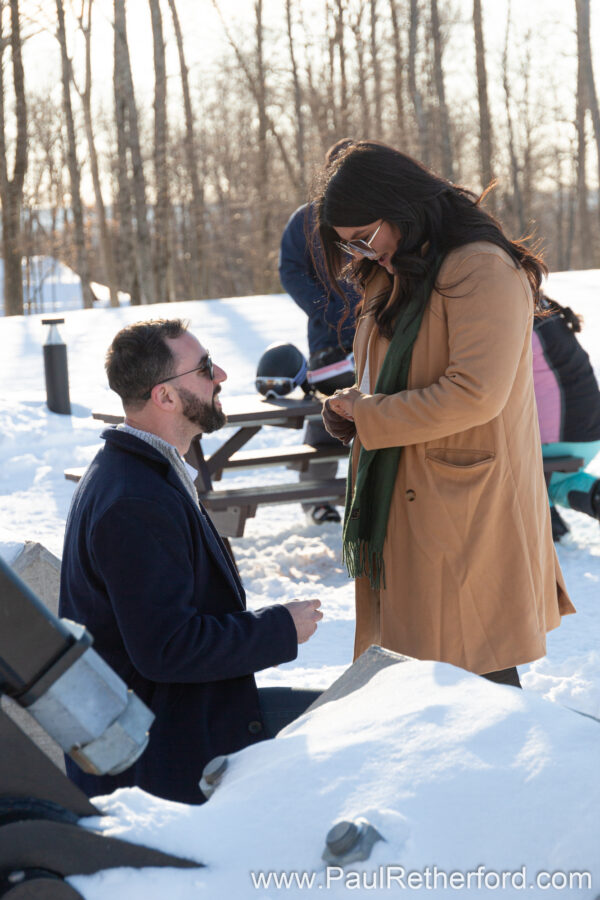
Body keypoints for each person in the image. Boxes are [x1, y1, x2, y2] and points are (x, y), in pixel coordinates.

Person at [314, 140, 574, 688]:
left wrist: (370, 414)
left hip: (466, 509)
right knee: (418, 688)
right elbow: (391, 376)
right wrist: (353, 410)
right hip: (406, 502)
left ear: (400, 204)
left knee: (475, 681)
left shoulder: (480, 267)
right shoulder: (398, 269)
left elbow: (474, 393)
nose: (361, 254)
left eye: (364, 238)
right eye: (350, 248)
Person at [59, 319, 323, 804]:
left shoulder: (144, 471)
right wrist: (280, 627)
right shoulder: (133, 500)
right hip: (163, 769)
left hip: (184, 728)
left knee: (346, 720)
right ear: (165, 397)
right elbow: (168, 648)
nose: (220, 373)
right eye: (203, 369)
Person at [279, 139, 360, 525]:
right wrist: (324, 308)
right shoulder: (307, 218)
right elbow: (290, 271)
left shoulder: (376, 214)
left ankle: (367, 493)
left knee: (377, 406)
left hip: (374, 332)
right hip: (328, 339)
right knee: (327, 409)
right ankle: (316, 497)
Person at [533, 297, 600, 540]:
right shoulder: (542, 311)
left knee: (517, 472)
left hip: (560, 434)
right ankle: (555, 525)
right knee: (558, 482)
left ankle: (547, 526)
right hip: (588, 432)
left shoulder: (517, 319)